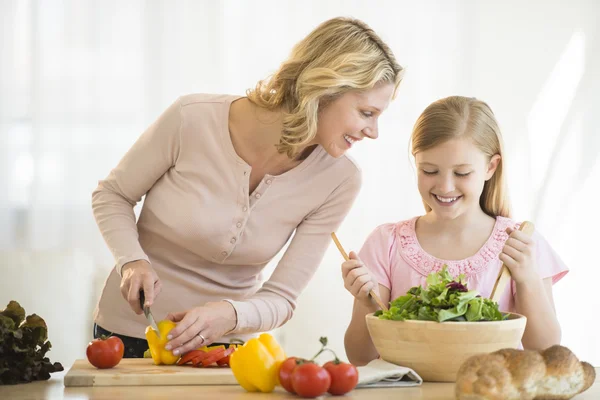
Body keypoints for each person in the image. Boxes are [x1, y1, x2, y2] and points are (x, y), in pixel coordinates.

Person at [91, 17, 404, 358]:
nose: (373, 131)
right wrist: (132, 262)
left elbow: (283, 298)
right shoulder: (192, 119)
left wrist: (230, 315)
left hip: (227, 349)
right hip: (127, 335)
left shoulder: (340, 179)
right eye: (366, 112)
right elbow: (113, 194)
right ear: (326, 89)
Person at [342, 96, 569, 366]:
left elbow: (546, 350)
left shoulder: (520, 243)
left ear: (490, 167)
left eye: (461, 173)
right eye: (429, 170)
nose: (445, 186)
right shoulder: (386, 243)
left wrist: (527, 279)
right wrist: (368, 304)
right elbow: (359, 357)